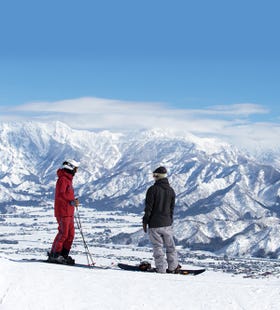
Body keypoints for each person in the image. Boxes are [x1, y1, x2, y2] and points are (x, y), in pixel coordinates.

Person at [142, 166, 180, 273]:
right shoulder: (171, 190)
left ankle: (161, 268)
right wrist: (170, 221)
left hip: (154, 224)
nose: (153, 178)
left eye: (154, 175)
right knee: (170, 246)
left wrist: (145, 221)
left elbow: (148, 208)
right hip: (167, 223)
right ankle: (173, 267)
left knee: (157, 247)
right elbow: (171, 209)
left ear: (158, 176)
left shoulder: (152, 190)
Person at [48, 159, 80, 265]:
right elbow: (61, 195)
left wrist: (72, 201)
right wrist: (71, 201)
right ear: (70, 167)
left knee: (70, 235)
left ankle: (63, 254)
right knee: (63, 233)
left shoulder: (68, 180)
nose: (76, 171)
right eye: (75, 169)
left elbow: (66, 194)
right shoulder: (63, 179)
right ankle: (55, 254)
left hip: (69, 212)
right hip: (63, 211)